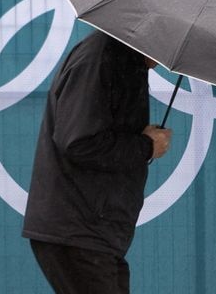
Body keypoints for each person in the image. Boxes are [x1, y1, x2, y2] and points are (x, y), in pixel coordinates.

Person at [22, 31, 172, 293]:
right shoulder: (101, 58)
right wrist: (146, 146)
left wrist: (142, 140)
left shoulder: (123, 59)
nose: (166, 58)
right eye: (167, 43)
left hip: (94, 232)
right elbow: (78, 142)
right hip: (79, 229)